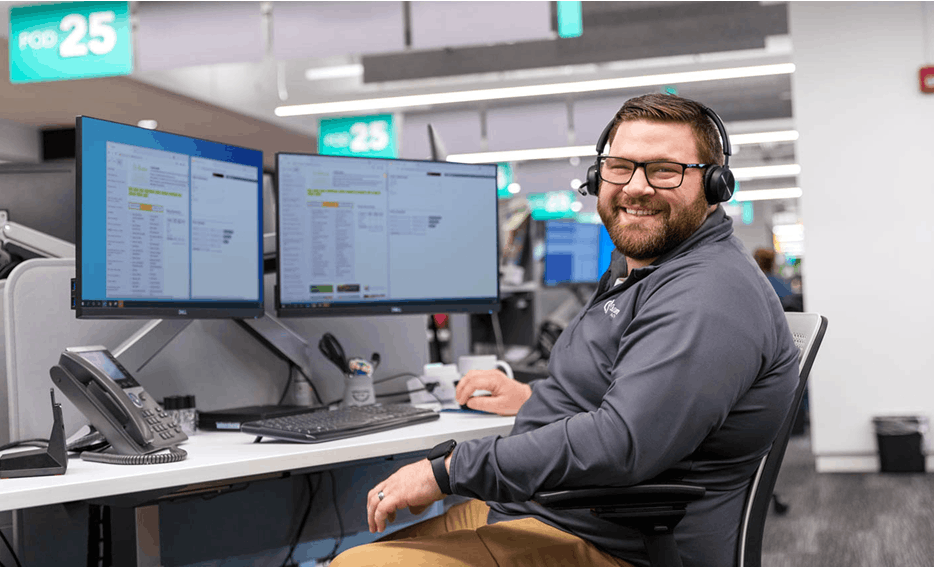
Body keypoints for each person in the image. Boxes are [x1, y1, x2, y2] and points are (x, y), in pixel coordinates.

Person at [331, 94, 799, 567]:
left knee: (356, 565)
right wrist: (531, 400)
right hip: (552, 513)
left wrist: (450, 469)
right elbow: (630, 393)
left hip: (615, 544)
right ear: (598, 177)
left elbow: (622, 443)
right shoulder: (645, 268)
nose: (636, 187)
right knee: (356, 551)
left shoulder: (707, 292)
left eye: (664, 170)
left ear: (715, 185)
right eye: (620, 167)